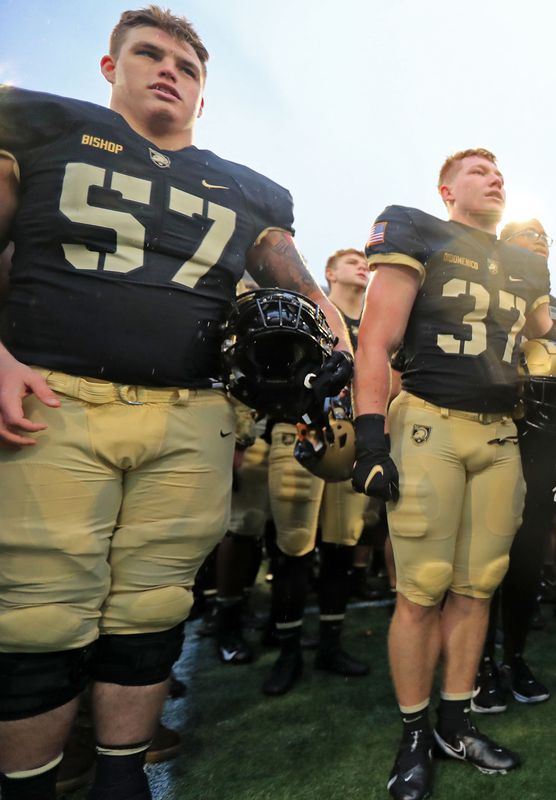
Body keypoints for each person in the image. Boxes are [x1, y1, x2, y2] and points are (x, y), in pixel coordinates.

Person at [0, 8, 353, 800]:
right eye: (147, 54)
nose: (168, 70)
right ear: (108, 65)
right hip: (56, 397)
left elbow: (310, 301)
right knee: (38, 615)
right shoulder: (47, 127)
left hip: (192, 412)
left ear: (204, 92)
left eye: (187, 65)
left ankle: (123, 779)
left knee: (152, 607)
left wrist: (339, 363)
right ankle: (29, 785)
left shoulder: (249, 190)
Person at [352, 148, 552, 800]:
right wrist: (369, 436)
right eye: (477, 170)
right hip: (429, 423)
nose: (494, 177)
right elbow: (375, 340)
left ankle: (455, 721)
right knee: (423, 588)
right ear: (446, 189)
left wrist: (549, 355)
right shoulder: (417, 230)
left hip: (499, 433)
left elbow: (541, 337)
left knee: (478, 585)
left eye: (500, 172)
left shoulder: (526, 262)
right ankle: (413, 733)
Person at [260, 248, 373, 695]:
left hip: (353, 439)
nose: (363, 265)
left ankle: (330, 643)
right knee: (293, 548)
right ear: (328, 273)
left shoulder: (376, 326)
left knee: (342, 545)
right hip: (299, 433)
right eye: (351, 261)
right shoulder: (308, 313)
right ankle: (288, 649)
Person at [474, 218, 556, 712]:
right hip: (492, 437)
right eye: (524, 236)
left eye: (543, 236)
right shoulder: (483, 296)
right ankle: (478, 663)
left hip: (545, 452)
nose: (537, 241)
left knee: (527, 557)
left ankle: (514, 655)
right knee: (485, 558)